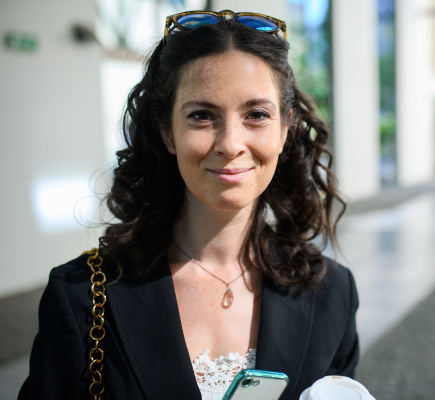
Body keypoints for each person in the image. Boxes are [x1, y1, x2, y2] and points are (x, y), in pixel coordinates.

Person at [18, 9, 359, 400]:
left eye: (257, 115)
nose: (230, 143)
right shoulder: (84, 295)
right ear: (167, 133)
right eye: (201, 115)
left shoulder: (332, 292)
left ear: (285, 129)